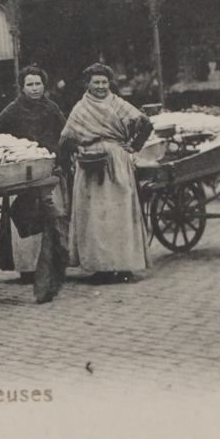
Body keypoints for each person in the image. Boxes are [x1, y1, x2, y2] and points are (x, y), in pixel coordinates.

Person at [61, 62, 152, 283]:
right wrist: (78, 148)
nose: (101, 86)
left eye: (104, 82)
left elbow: (145, 123)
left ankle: (124, 266)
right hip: (91, 165)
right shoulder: (80, 108)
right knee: (95, 217)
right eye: (96, 83)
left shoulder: (119, 104)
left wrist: (134, 146)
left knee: (119, 214)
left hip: (117, 163)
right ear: (88, 84)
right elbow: (66, 139)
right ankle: (100, 267)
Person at [0, 65, 67, 286]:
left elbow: (65, 134)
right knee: (23, 219)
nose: (34, 89)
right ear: (22, 87)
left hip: (47, 173)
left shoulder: (51, 108)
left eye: (38, 84)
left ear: (44, 85)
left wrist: (58, 155)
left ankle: (50, 264)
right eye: (29, 84)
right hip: (20, 175)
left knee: (50, 217)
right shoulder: (12, 110)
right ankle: (27, 268)